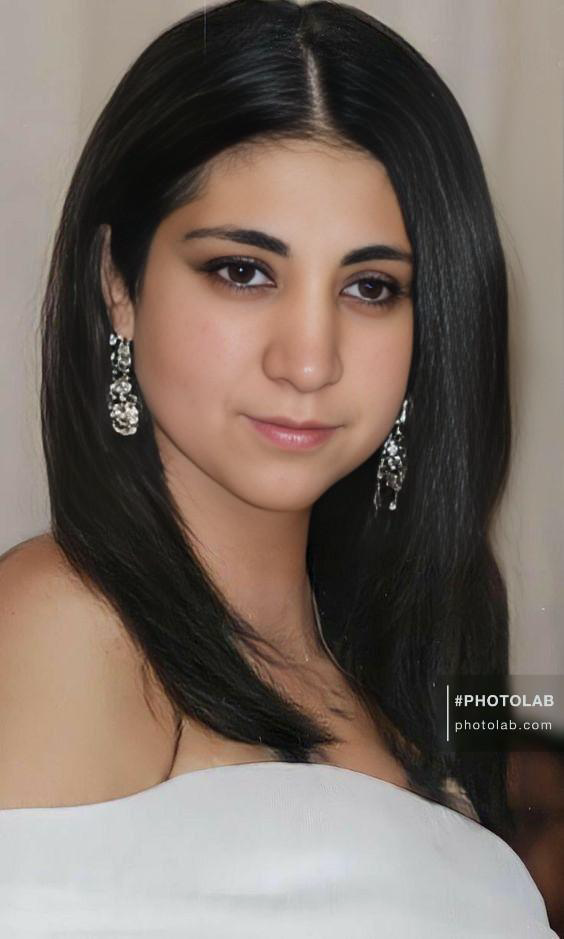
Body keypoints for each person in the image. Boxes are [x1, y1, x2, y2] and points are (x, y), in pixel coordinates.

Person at [0, 0, 556, 934]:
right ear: (117, 284)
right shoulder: (63, 630)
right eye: (243, 271)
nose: (308, 360)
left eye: (370, 287)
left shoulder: (411, 696)